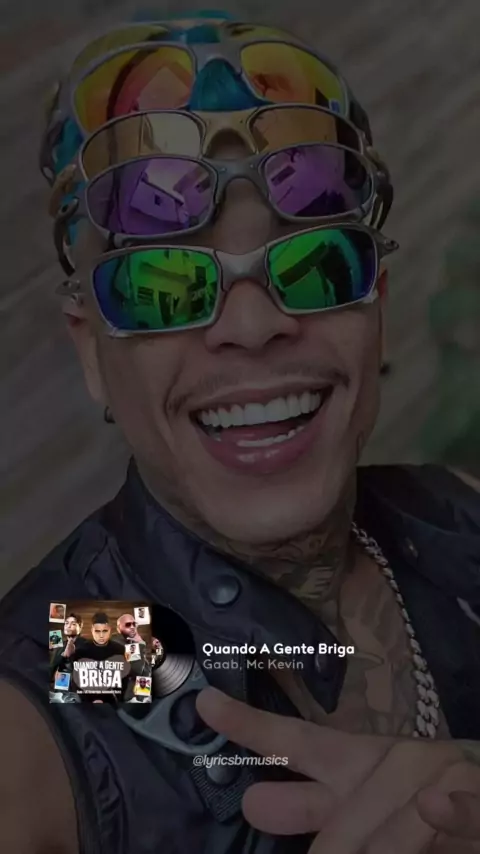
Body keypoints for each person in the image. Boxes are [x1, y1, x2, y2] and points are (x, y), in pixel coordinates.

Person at [0, 10, 479, 854]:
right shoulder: (42, 713)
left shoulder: (459, 519)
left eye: (316, 265)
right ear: (92, 354)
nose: (253, 327)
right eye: (162, 284)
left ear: (377, 308)